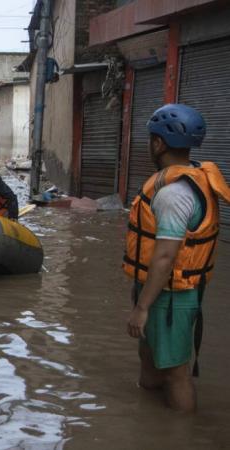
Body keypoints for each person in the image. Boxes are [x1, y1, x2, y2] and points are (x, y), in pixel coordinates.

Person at [124, 104, 230, 413]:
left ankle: (181, 434)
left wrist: (141, 308)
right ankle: (148, 424)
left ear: (158, 144)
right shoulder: (189, 179)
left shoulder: (173, 195)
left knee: (176, 373)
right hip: (161, 290)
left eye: (150, 139)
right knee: (150, 357)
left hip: (172, 296)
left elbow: (165, 256)